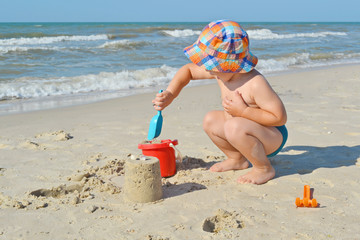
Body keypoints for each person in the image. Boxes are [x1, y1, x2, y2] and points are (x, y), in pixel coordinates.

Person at [152, 20, 287, 184]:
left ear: (231, 66)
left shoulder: (255, 83)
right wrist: (170, 94)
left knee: (233, 126)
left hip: (271, 136)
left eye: (211, 65)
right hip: (240, 133)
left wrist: (244, 112)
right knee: (210, 119)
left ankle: (263, 168)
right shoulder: (221, 73)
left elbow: (279, 117)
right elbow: (187, 71)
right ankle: (237, 158)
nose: (207, 69)